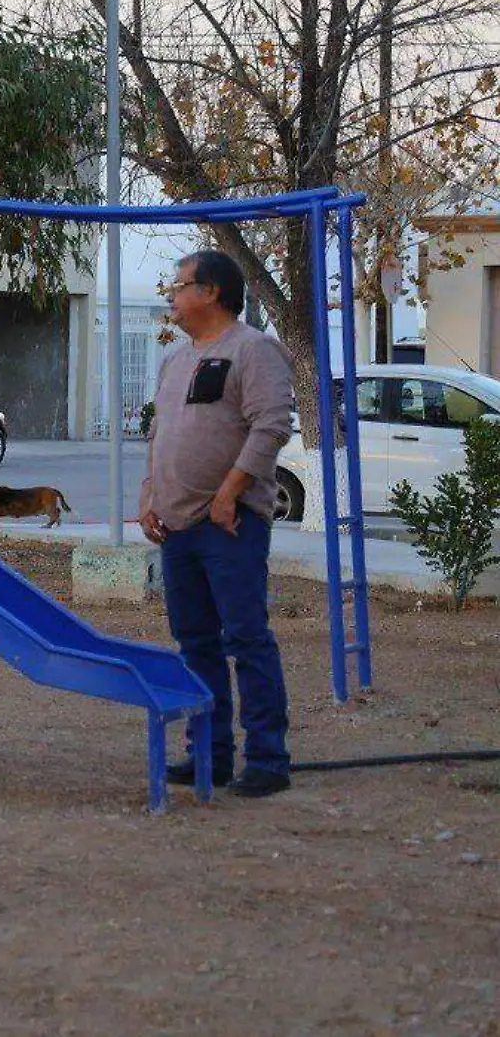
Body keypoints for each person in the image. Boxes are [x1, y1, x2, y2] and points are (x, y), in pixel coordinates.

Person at [139, 249, 296, 799]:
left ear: (211, 292)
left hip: (230, 525)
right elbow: (161, 433)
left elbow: (272, 425)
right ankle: (209, 754)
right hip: (178, 527)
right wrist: (149, 496)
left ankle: (268, 760)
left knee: (245, 637)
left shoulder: (254, 350)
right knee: (195, 643)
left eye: (179, 286)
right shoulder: (175, 361)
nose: (172, 297)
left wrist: (230, 492)